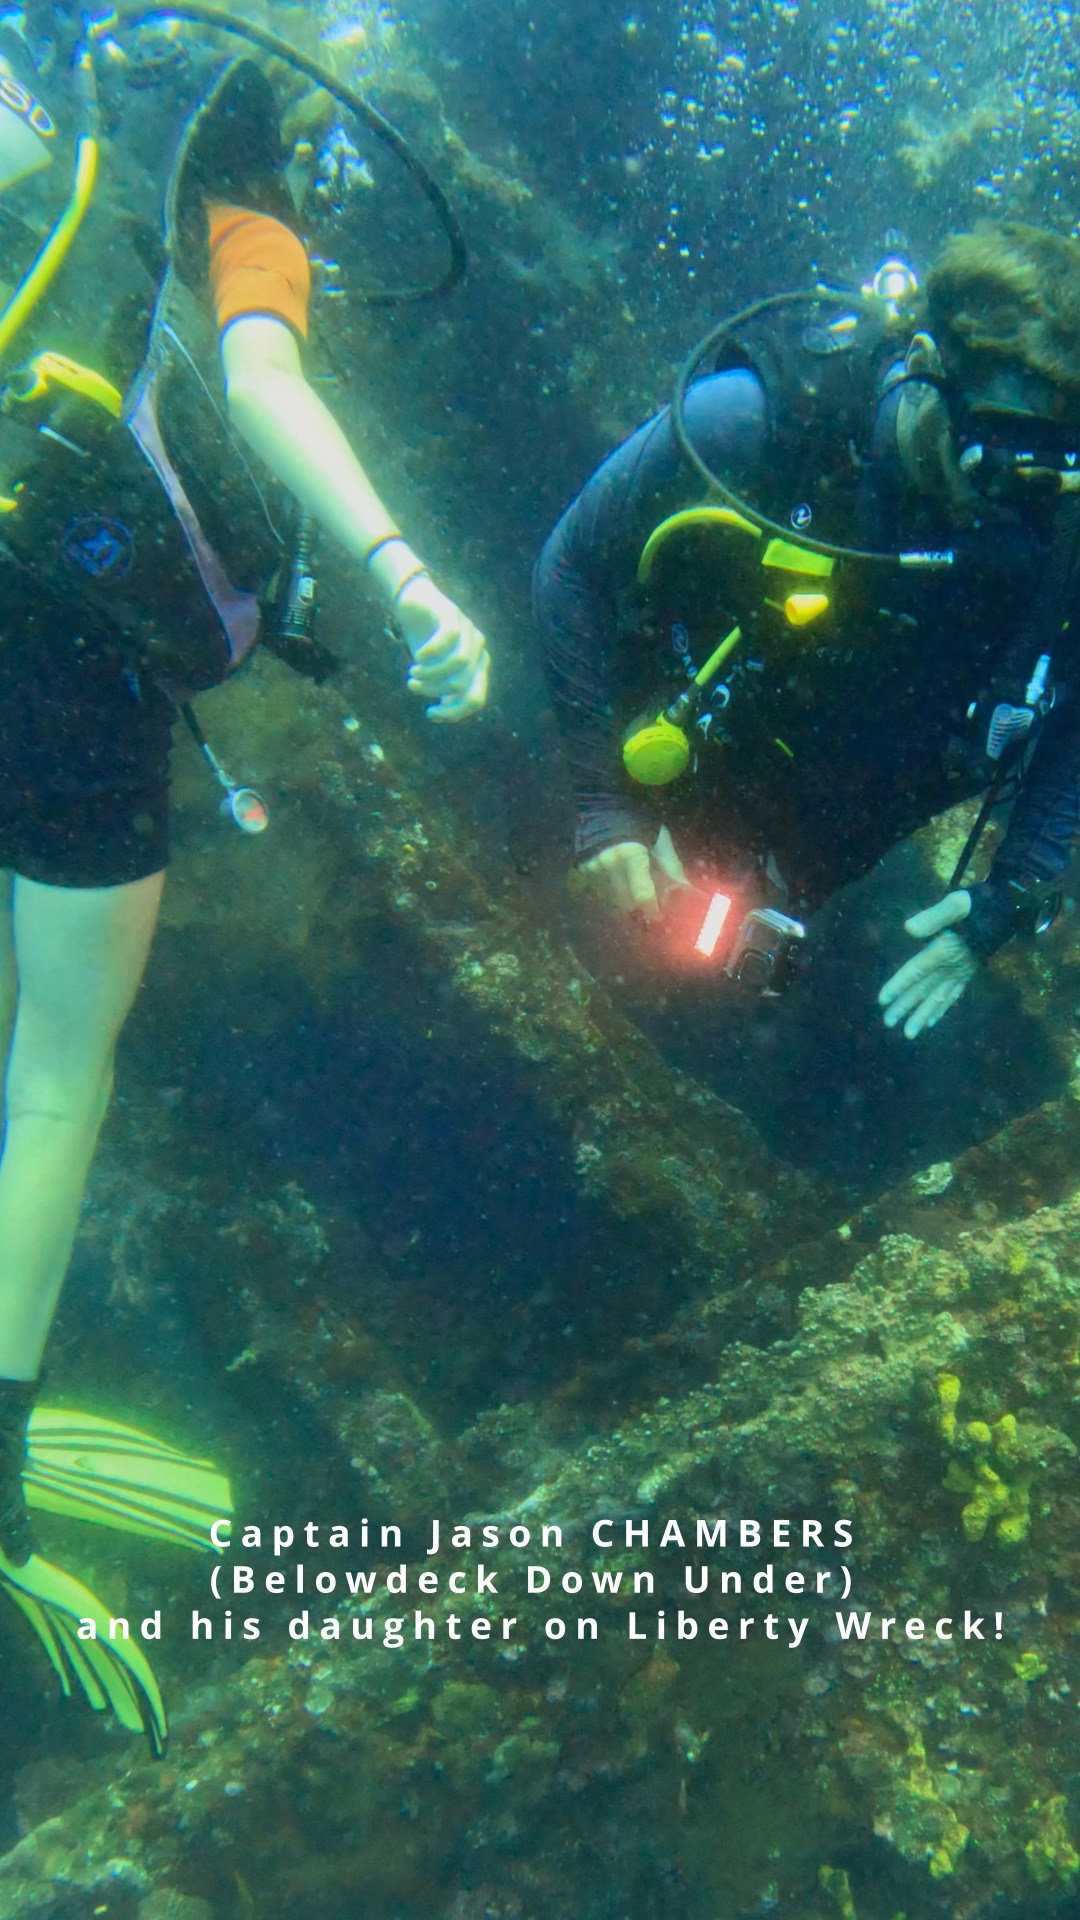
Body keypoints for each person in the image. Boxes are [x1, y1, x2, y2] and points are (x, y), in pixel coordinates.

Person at [0, 3, 489, 1616]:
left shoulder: (77, 116)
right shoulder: (221, 124)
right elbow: (261, 378)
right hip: (67, 666)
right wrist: (404, 571)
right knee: (58, 1067)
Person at [535, 223, 1080, 1031]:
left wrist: (1010, 894)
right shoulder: (763, 419)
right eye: (993, 455)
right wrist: (600, 805)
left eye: (1054, 465)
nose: (1010, 501)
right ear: (930, 377)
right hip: (646, 761)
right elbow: (571, 563)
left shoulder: (1059, 528)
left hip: (816, 844)